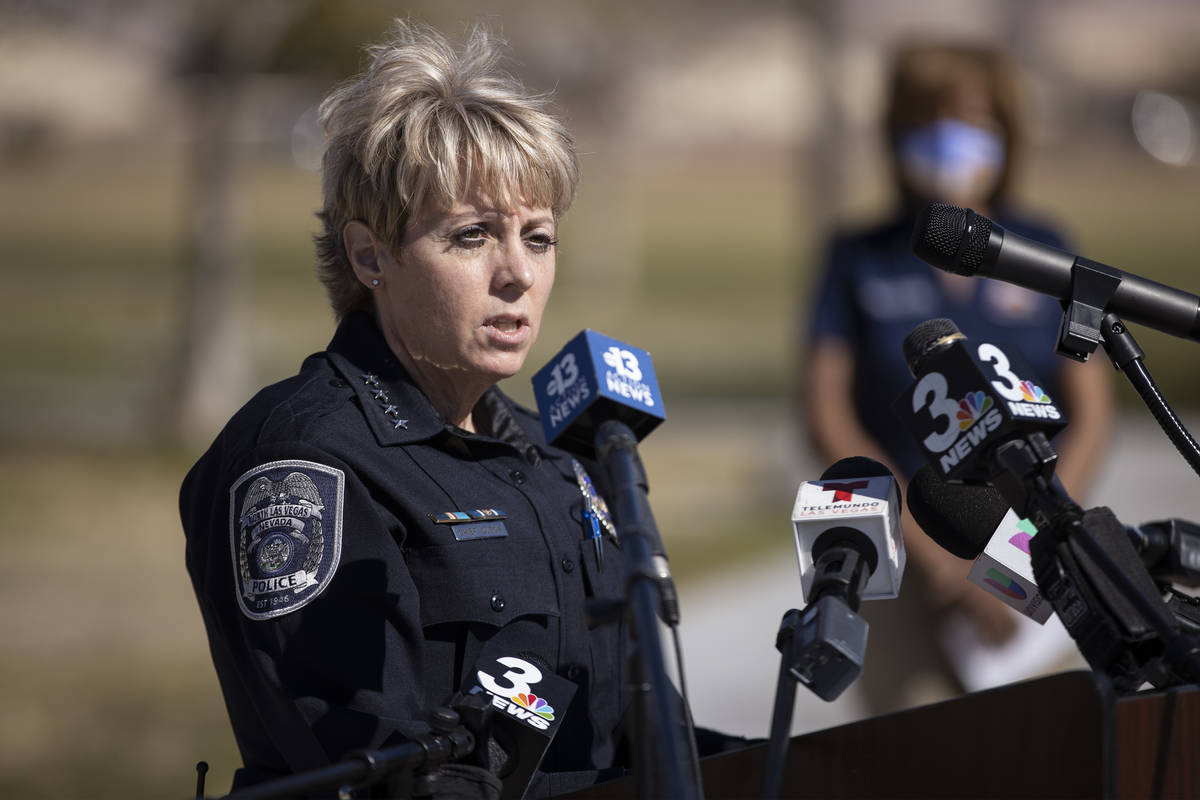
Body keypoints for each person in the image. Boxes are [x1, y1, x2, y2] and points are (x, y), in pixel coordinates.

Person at [181, 21, 634, 797]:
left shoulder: (559, 456)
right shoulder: (304, 461)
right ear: (370, 256)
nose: (518, 274)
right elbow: (378, 765)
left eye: (539, 236)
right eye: (471, 236)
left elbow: (629, 736)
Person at [802, 42, 1114, 711]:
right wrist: (941, 562)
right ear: (896, 134)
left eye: (972, 117)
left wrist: (1016, 559)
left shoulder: (1044, 247)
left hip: (1033, 558)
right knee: (915, 751)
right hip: (904, 558)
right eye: (928, 118)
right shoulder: (858, 255)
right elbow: (827, 415)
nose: (951, 137)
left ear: (1006, 130)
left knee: (1045, 750)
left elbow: (1093, 414)